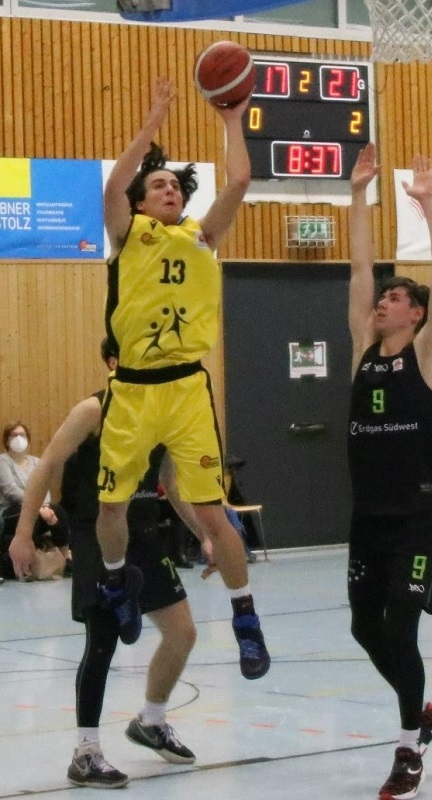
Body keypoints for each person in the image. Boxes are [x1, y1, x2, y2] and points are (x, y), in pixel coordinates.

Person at [96, 76, 269, 678]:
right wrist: (151, 129)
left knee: (214, 512)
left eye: (174, 184)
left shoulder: (202, 237)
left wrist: (233, 119)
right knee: (111, 505)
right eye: (158, 184)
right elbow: (114, 186)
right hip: (134, 389)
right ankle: (116, 582)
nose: (169, 188)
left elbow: (240, 181)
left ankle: (245, 619)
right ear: (142, 203)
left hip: (188, 387)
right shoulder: (128, 235)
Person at [9, 339, 216, 788]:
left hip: (143, 534)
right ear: (114, 362)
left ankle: (151, 721)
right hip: (97, 535)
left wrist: (206, 535)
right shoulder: (93, 411)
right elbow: (45, 467)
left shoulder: (163, 412)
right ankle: (85, 753)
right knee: (102, 642)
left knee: (182, 633)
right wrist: (23, 533)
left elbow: (171, 483)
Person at [347, 144, 432, 800]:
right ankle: (424, 712)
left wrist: (427, 205)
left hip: (414, 518)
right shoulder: (363, 348)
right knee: (364, 627)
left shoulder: (429, 353)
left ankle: (409, 750)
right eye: (382, 298)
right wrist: (358, 194)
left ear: (414, 313)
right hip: (368, 519)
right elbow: (360, 265)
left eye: (394, 298)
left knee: (400, 628)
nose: (383, 302)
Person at [0, 421, 71, 578]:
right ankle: (26, 564)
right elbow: (11, 491)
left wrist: (46, 507)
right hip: (10, 510)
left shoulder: (36, 462)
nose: (18, 438)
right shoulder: (2, 462)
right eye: (14, 435)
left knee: (58, 511)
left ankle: (65, 559)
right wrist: (38, 508)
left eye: (22, 435)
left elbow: (43, 488)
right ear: (7, 440)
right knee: (33, 516)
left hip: (39, 506)